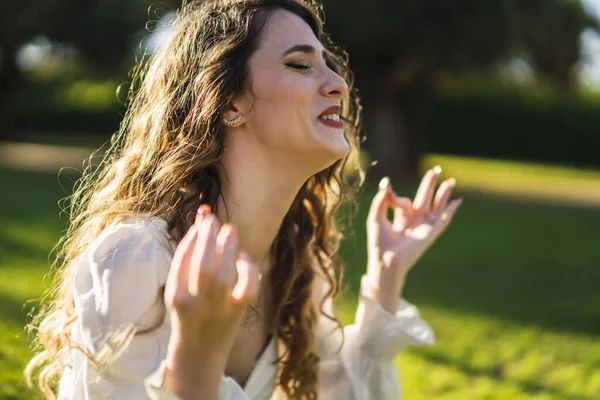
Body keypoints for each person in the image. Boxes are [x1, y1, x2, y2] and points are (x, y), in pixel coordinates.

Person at [25, 0, 462, 399]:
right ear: (230, 102)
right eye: (299, 64)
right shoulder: (139, 261)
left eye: (330, 66)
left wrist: (386, 278)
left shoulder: (297, 261)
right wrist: (195, 358)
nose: (338, 84)